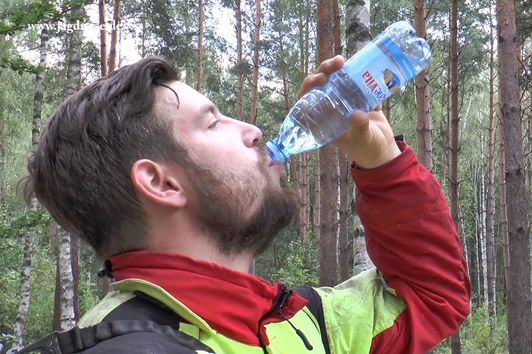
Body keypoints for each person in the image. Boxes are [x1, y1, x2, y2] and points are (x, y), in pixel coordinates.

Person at [22, 55, 470, 354]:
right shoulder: (127, 348)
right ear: (160, 182)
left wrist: (382, 161)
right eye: (213, 122)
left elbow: (430, 297)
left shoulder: (300, 322)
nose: (253, 129)